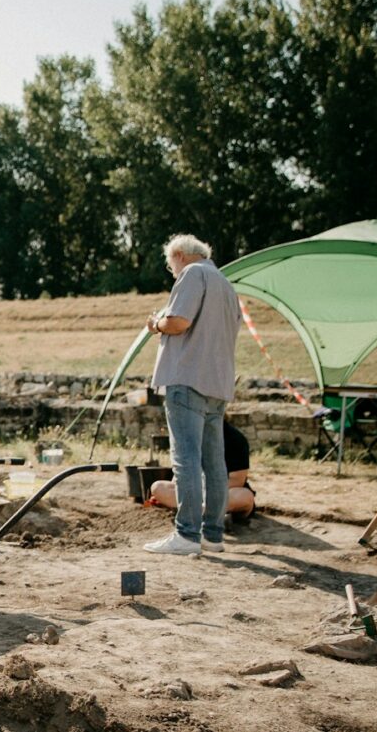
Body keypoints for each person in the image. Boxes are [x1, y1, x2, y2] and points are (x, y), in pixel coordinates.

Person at [142, 234, 241, 556]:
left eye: (170, 264)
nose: (171, 271)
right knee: (215, 463)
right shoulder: (226, 285)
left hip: (187, 378)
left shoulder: (192, 274)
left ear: (180, 255)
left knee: (186, 460)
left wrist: (156, 324)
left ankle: (186, 534)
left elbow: (179, 322)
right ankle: (213, 534)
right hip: (218, 383)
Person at [148, 420, 256, 522]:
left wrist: (207, 493)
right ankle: (203, 514)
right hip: (195, 494)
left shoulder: (235, 439)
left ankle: (200, 512)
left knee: (245, 496)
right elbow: (180, 475)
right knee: (158, 487)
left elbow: (237, 481)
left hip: (222, 494)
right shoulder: (189, 438)